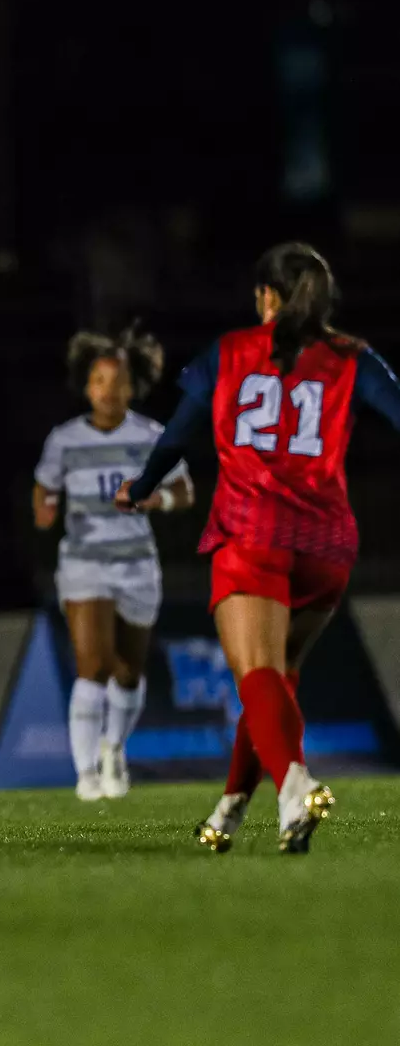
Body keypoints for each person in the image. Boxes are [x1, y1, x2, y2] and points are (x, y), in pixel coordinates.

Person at [118, 242, 400, 853]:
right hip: (327, 544)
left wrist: (141, 487)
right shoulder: (356, 357)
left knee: (259, 677)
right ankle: (229, 809)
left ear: (267, 296)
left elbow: (180, 433)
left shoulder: (230, 352)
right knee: (277, 678)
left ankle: (295, 784)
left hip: (253, 534)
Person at [33, 325, 194, 802]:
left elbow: (185, 491)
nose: (108, 391)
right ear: (87, 386)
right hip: (85, 564)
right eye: (99, 381)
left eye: (117, 381)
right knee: (93, 665)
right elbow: (44, 486)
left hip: (137, 566)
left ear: (133, 385)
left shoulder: (150, 436)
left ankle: (113, 750)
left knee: (128, 671)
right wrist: (44, 507)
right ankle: (85, 774)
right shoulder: (64, 439)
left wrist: (156, 500)